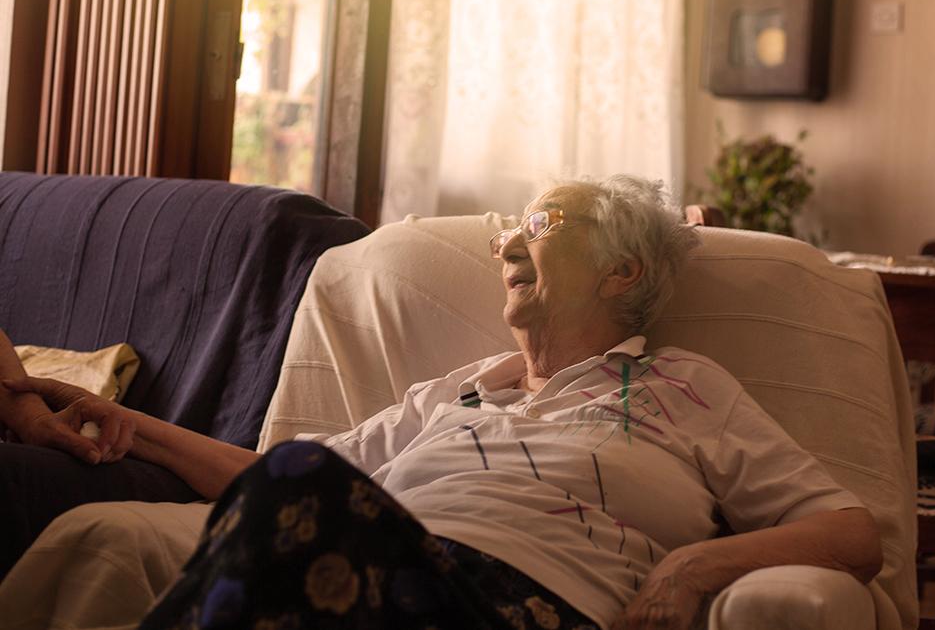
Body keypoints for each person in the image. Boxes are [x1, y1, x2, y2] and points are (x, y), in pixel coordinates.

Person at [0, 175, 882, 630]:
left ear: (625, 271)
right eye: (507, 228)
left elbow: (852, 534)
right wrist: (137, 430)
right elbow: (270, 482)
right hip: (386, 584)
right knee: (107, 531)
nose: (506, 240)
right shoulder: (458, 390)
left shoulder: (682, 387)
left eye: (538, 225)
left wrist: (691, 569)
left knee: (306, 488)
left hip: (529, 606)